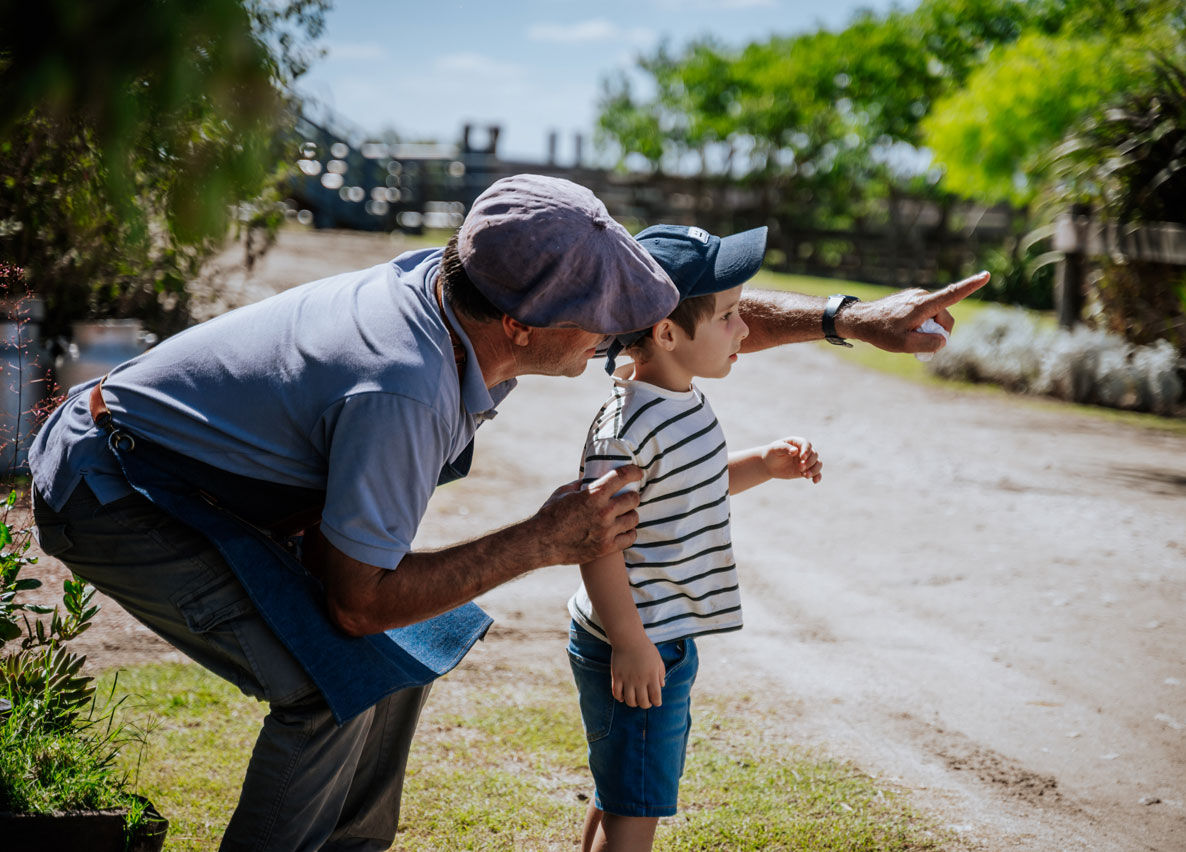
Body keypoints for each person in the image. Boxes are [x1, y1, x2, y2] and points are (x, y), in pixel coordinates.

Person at [27, 172, 987, 852]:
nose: (615, 331)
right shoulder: (401, 385)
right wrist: (539, 539)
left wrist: (845, 319)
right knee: (333, 676)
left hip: (207, 477)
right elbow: (358, 603)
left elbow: (682, 313)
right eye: (599, 314)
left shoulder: (478, 294)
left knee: (393, 661)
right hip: (122, 488)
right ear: (525, 327)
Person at [566, 224, 822, 852]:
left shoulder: (681, 399)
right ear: (667, 333)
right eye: (730, 316)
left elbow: (691, 486)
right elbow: (596, 543)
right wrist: (630, 643)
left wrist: (763, 463)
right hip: (634, 637)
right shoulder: (626, 427)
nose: (745, 330)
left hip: (659, 636)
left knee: (625, 787)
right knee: (637, 810)